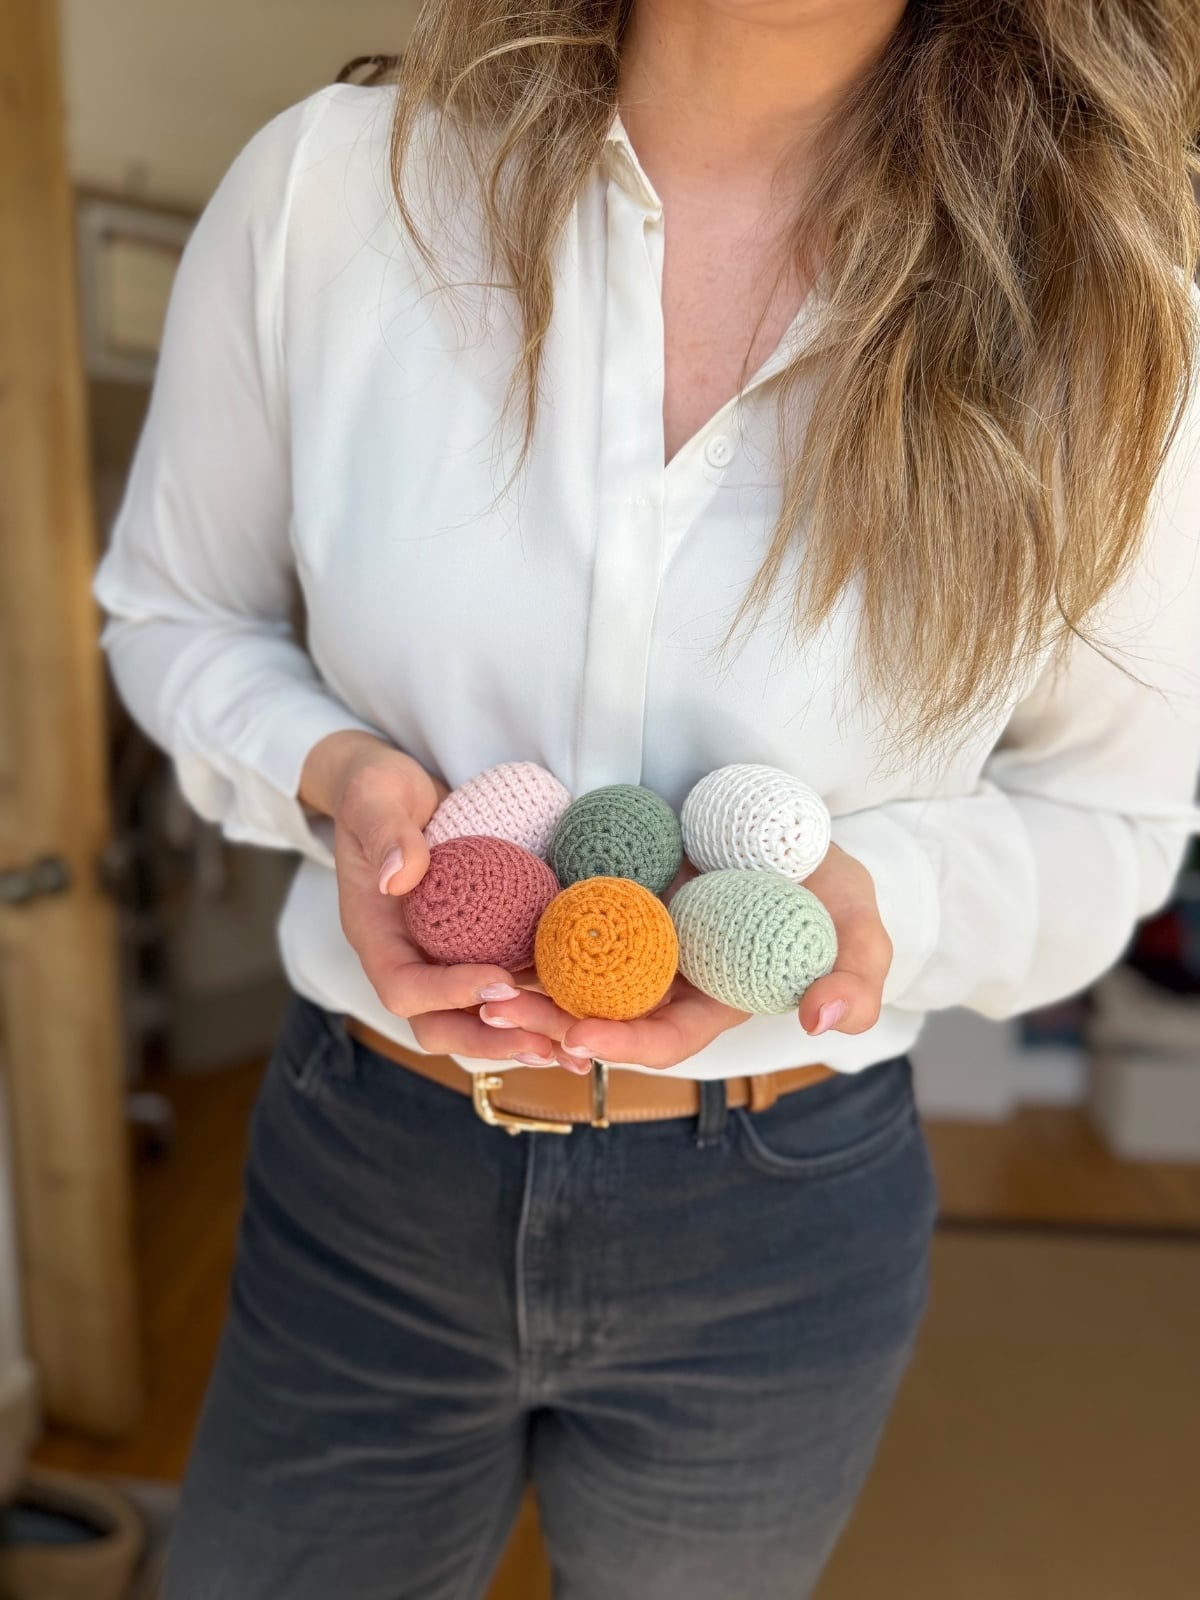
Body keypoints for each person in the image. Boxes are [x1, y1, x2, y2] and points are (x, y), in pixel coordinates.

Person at [93, 1, 1200, 1595]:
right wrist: (335, 779)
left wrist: (883, 904)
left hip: (780, 1219)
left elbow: (1107, 819)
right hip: (369, 1167)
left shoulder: (1105, 325)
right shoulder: (335, 193)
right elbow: (174, 616)